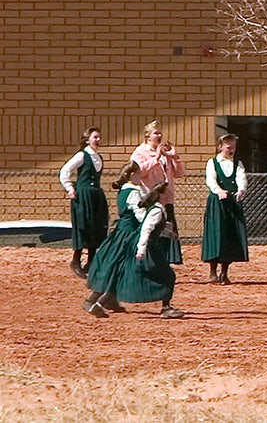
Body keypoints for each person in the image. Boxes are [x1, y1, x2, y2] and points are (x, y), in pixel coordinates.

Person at [82, 161, 146, 317]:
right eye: (139, 174)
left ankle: (111, 298)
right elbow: (139, 214)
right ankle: (94, 299)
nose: (141, 177)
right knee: (119, 266)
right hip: (129, 233)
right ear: (132, 175)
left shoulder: (123, 190)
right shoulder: (134, 192)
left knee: (116, 264)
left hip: (120, 232)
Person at [115, 181, 185, 319]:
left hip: (152, 245)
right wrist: (141, 248)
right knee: (168, 275)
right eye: (168, 193)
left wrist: (170, 234)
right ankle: (166, 308)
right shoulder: (157, 211)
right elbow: (146, 229)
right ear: (161, 196)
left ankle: (165, 306)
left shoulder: (158, 208)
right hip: (150, 246)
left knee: (161, 274)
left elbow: (157, 228)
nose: (170, 195)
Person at [130, 120, 185, 265]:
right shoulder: (140, 152)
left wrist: (174, 157)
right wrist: (156, 158)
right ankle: (147, 262)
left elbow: (179, 173)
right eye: (156, 133)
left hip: (166, 199)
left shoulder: (164, 153)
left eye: (160, 133)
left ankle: (165, 263)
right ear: (148, 136)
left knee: (167, 233)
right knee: (152, 232)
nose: (159, 135)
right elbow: (139, 172)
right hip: (150, 199)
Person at [60, 127, 108, 279]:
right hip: (84, 194)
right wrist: (70, 189)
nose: (98, 140)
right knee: (83, 225)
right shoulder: (82, 155)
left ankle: (92, 261)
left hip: (95, 195)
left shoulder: (98, 157)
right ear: (87, 140)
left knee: (96, 226)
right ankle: (76, 260)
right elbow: (65, 171)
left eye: (99, 137)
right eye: (95, 137)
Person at [201, 134, 249, 285]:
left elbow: (242, 178)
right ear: (220, 147)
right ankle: (212, 272)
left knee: (230, 236)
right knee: (216, 234)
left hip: (232, 203)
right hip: (218, 202)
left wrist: (241, 190)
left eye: (233, 147)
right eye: (228, 147)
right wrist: (218, 191)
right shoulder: (212, 162)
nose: (231, 150)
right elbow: (210, 179)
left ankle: (225, 272)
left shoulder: (238, 163)